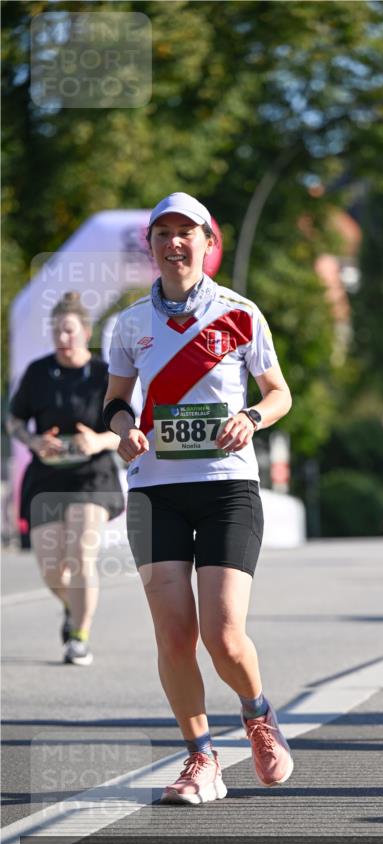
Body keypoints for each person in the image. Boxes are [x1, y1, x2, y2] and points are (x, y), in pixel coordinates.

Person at [104, 192, 294, 805]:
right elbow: (113, 400)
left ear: (208, 243)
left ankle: (258, 714)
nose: (174, 243)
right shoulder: (131, 323)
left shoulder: (240, 314)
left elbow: (279, 393)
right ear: (152, 245)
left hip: (226, 489)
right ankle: (201, 759)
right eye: (164, 233)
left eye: (187, 233)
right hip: (155, 491)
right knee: (173, 634)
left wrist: (254, 417)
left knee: (223, 634)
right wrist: (121, 428)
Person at [6, 292, 124, 665]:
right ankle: (73, 610)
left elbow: (128, 430)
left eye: (69, 330)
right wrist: (34, 441)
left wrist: (98, 440)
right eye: (57, 330)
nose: (63, 337)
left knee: (81, 555)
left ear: (85, 332)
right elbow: (13, 421)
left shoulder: (106, 374)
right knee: (52, 567)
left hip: (93, 476)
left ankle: (79, 637)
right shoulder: (38, 372)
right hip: (46, 477)